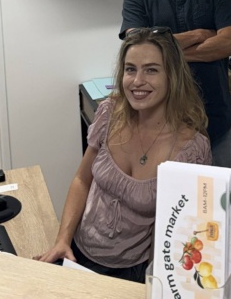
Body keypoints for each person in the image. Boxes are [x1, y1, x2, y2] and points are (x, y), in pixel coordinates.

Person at [121, 0, 231, 299]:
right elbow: (135, 47)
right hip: (156, 126)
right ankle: (174, 290)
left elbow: (230, 41)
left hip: (213, 120)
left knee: (221, 212)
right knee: (165, 213)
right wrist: (197, 35)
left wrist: (165, 52)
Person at [36, 28, 211, 282]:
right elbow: (82, 180)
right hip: (78, 252)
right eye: (130, 69)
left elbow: (183, 230)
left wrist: (156, 280)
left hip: (136, 270)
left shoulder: (191, 149)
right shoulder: (109, 113)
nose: (137, 81)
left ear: (172, 76)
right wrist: (63, 240)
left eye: (151, 70)